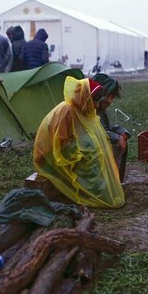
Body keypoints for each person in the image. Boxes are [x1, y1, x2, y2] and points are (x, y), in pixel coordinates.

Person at [33, 76, 124, 208]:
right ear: (86, 98)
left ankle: (96, 187)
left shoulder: (81, 109)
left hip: (63, 150)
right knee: (89, 147)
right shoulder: (67, 111)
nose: (97, 105)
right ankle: (91, 190)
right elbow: (61, 141)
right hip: (50, 157)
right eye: (95, 101)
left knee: (93, 145)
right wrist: (84, 149)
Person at [92, 73, 130, 182]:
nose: (109, 101)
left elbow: (105, 127)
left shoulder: (100, 110)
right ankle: (109, 181)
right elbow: (95, 131)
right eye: (106, 95)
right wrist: (117, 138)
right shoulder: (89, 108)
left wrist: (121, 132)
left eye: (112, 97)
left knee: (122, 141)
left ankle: (116, 181)